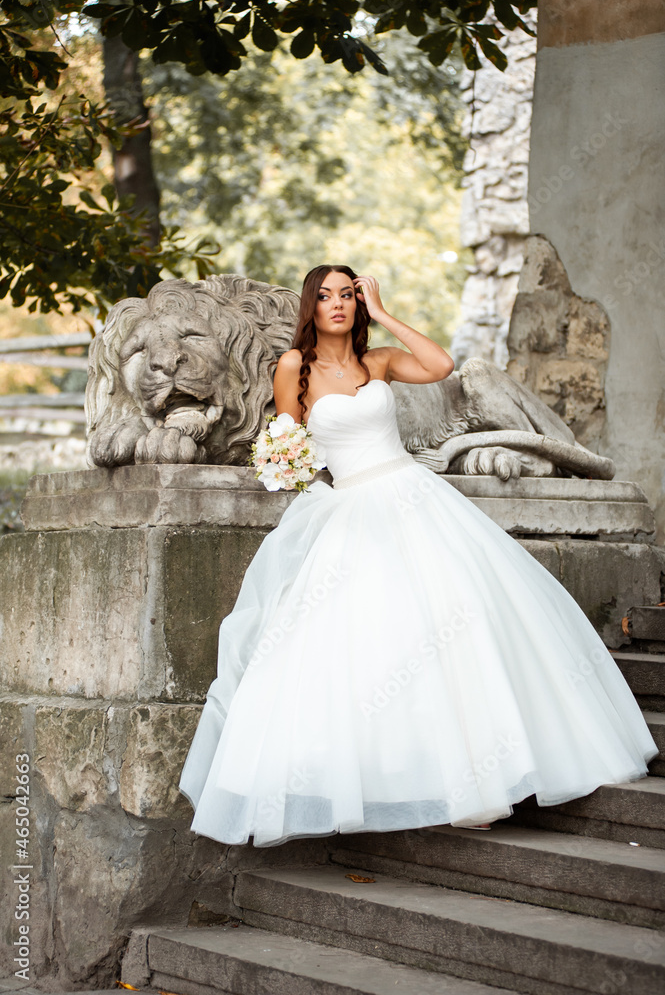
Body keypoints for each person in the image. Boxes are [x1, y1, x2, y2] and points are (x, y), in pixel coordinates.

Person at [178, 263, 658, 847]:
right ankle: (401, 778)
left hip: (417, 498)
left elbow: (440, 366)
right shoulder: (293, 368)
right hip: (352, 511)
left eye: (349, 295)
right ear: (312, 305)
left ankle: (483, 777)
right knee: (379, 642)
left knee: (458, 623)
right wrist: (285, 463)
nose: (339, 304)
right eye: (327, 295)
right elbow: (286, 441)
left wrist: (384, 315)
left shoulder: (377, 360)